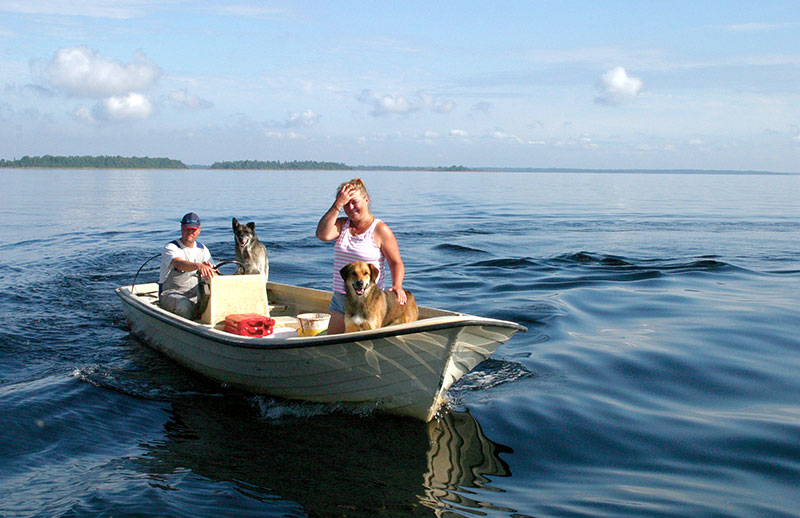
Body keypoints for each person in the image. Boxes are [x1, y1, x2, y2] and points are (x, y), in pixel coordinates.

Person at [316, 178, 407, 334]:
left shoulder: (380, 229)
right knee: (333, 345)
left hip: (369, 301)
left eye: (354, 202)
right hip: (341, 299)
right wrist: (337, 204)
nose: (350, 208)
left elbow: (396, 262)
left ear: (366, 200)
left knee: (367, 345)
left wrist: (397, 285)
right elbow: (322, 234)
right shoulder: (341, 225)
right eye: (346, 204)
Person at [159, 212, 217, 319]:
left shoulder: (203, 249)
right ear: (182, 228)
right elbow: (179, 264)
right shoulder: (171, 247)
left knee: (216, 300)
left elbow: (215, 274)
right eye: (187, 229)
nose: (190, 232)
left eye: (193, 230)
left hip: (196, 294)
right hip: (171, 293)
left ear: (199, 230)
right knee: (184, 305)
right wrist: (198, 266)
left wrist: (209, 270)